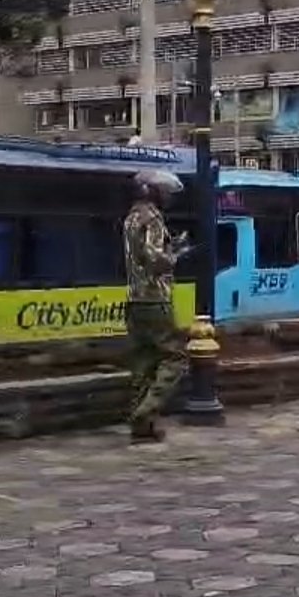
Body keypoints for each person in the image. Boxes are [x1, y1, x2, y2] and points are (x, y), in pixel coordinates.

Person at [123, 169, 192, 443]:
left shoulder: (130, 218)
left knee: (143, 363)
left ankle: (142, 428)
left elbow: (140, 255)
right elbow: (155, 260)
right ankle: (145, 412)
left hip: (134, 300)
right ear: (153, 192)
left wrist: (170, 245)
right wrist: (175, 255)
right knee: (176, 358)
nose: (168, 198)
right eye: (165, 192)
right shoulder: (152, 218)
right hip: (155, 298)